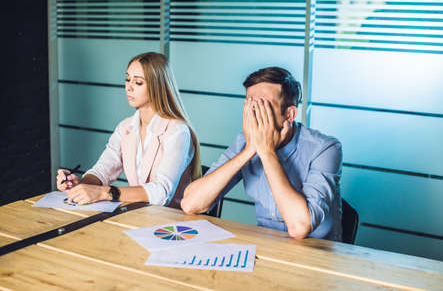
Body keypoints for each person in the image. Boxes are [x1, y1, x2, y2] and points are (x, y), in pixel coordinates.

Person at [181, 67, 342, 241]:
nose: (256, 113)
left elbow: (299, 228)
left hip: (318, 253)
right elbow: (190, 204)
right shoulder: (246, 141)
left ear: (290, 114)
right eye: (251, 105)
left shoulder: (326, 148)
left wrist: (267, 152)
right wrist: (250, 149)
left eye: (264, 105)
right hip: (269, 245)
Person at [56, 52, 201, 208]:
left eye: (138, 82)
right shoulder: (125, 127)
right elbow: (102, 170)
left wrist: (104, 193)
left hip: (171, 223)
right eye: (127, 79)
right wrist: (80, 184)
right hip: (138, 217)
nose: (129, 87)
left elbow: (162, 192)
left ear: (157, 86)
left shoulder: (177, 131)